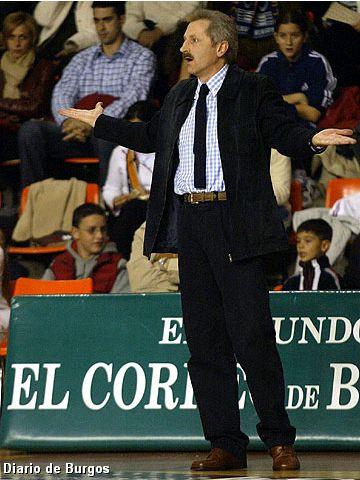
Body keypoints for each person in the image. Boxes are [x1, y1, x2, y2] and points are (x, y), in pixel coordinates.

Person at [59, 9, 356, 471]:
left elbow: (283, 130)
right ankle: (224, 442)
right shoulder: (178, 94)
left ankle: (279, 440)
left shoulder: (251, 88)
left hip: (235, 222)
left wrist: (314, 138)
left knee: (252, 337)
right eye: (184, 40)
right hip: (191, 224)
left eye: (194, 39)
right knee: (205, 343)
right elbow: (150, 136)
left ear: (220, 46)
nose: (183, 47)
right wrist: (102, 123)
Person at [18, 1, 156, 188]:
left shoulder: (141, 56)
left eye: (107, 20)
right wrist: (68, 122)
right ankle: (35, 200)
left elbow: (134, 97)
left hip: (109, 131)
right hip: (74, 130)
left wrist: (93, 122)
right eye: (96, 20)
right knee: (31, 130)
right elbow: (62, 92)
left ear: (121, 20)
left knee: (106, 134)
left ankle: (108, 207)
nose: (101, 27)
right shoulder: (82, 58)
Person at [257, 9, 336, 129]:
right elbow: (257, 105)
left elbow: (313, 114)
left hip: (305, 131)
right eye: (283, 36)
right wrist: (298, 98)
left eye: (295, 35)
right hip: (271, 128)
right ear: (276, 37)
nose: (289, 42)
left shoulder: (317, 63)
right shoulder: (267, 63)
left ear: (304, 37)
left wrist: (275, 104)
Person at [102, 101, 158, 259]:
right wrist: (117, 199)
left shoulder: (167, 149)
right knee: (130, 210)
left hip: (158, 205)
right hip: (130, 207)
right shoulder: (121, 152)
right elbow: (110, 189)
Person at [0, 11, 56, 164]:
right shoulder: (0, 65)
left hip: (25, 130)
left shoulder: (44, 67)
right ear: (5, 39)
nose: (16, 43)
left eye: (22, 37)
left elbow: (34, 106)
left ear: (31, 39)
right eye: (12, 37)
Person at [42, 203, 129, 294]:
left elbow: (121, 305)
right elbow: (41, 299)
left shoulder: (118, 264)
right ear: (75, 232)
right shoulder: (59, 263)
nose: (99, 236)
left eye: (103, 229)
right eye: (91, 230)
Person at [283, 219, 341, 291]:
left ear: (324, 245)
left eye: (307, 241)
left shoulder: (329, 278)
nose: (300, 246)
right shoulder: (292, 281)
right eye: (298, 241)